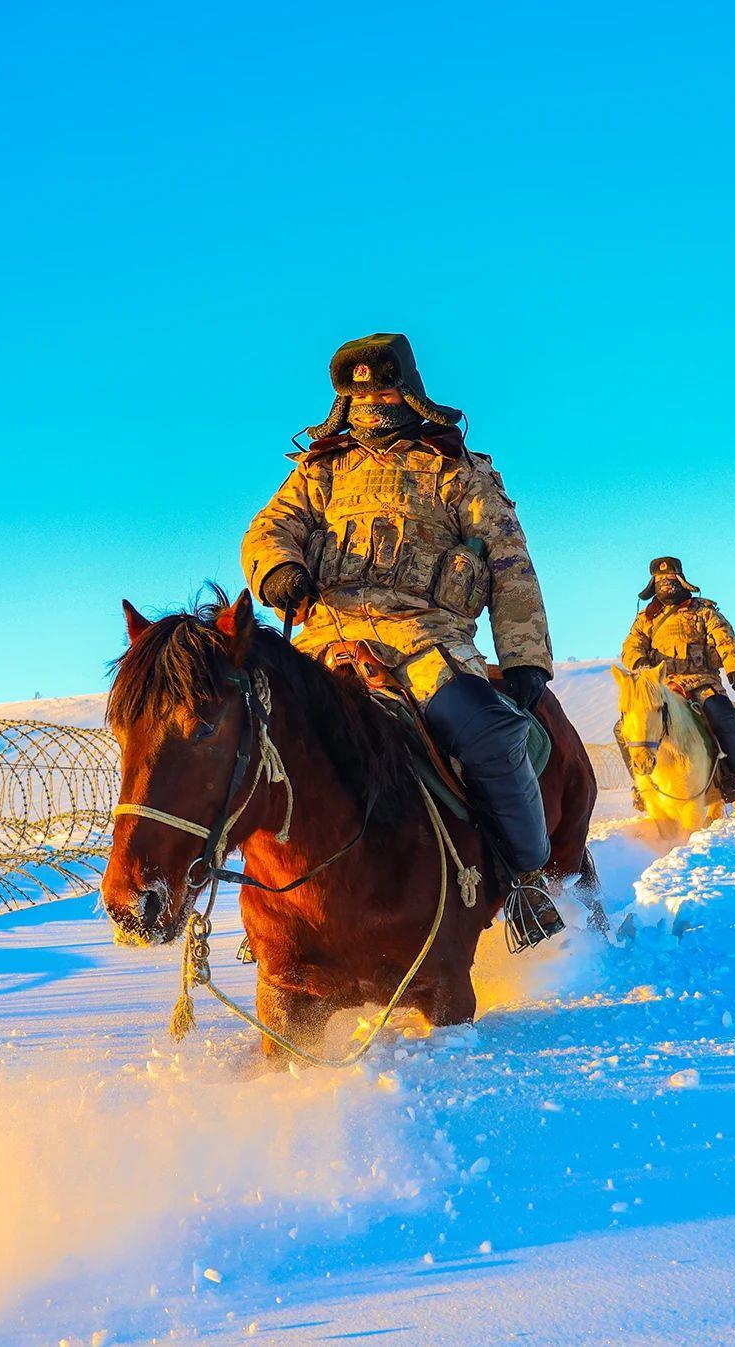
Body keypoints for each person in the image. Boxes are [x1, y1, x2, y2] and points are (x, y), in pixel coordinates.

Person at [240, 333, 563, 946]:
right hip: (325, 641)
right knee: (254, 734)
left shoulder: (457, 470)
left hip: (426, 641)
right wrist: (277, 568)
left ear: (411, 391)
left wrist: (524, 658)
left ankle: (526, 880)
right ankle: (270, 909)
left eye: (384, 388)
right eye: (357, 392)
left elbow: (510, 564)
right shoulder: (319, 472)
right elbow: (269, 529)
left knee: (489, 732)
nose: (371, 402)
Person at [619, 557, 735, 804]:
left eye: (670, 579)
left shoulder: (703, 611)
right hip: (662, 685)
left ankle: (733, 777)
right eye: (660, 580)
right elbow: (631, 646)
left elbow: (725, 638)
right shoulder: (645, 618)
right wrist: (638, 664)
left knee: (727, 718)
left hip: (701, 682)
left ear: (681, 580)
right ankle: (641, 782)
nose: (666, 584)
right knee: (623, 727)